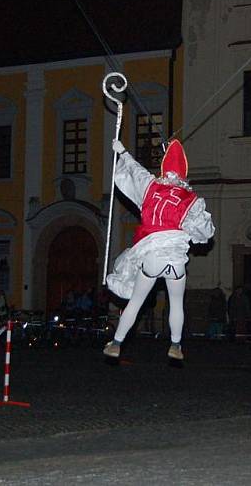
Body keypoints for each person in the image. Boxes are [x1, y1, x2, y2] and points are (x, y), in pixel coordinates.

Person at [103, 138, 215, 361]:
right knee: (176, 302)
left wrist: (122, 151)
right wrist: (190, 231)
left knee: (136, 302)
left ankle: (116, 342)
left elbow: (135, 170)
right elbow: (207, 231)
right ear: (183, 174)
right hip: (175, 261)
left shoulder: (151, 186)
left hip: (153, 256)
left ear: (164, 170)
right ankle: (175, 344)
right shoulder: (190, 199)